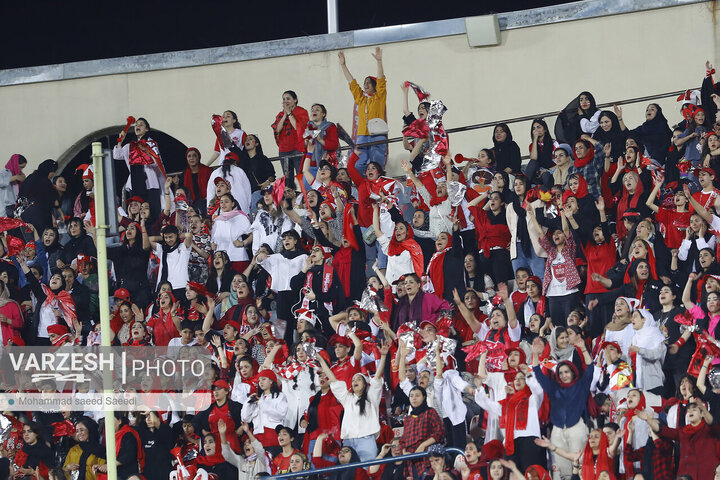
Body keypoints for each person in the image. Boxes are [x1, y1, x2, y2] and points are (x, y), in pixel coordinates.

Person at [338, 47, 387, 172]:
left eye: (369, 82)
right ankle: (367, 185)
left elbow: (381, 80)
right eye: (364, 82)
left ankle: (377, 185)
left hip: (378, 134)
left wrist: (379, 61)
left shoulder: (379, 97)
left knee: (377, 165)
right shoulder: (361, 99)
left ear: (375, 86)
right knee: (358, 165)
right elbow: (352, 83)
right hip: (362, 136)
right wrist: (343, 65)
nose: (365, 84)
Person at [272, 91, 309, 184]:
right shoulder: (280, 115)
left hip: (297, 149)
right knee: (288, 180)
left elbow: (298, 128)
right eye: (284, 99)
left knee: (302, 176)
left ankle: (305, 196)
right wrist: (285, 114)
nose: (285, 101)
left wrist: (289, 113)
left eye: (288, 99)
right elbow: (277, 130)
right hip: (284, 150)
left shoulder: (301, 111)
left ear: (295, 100)